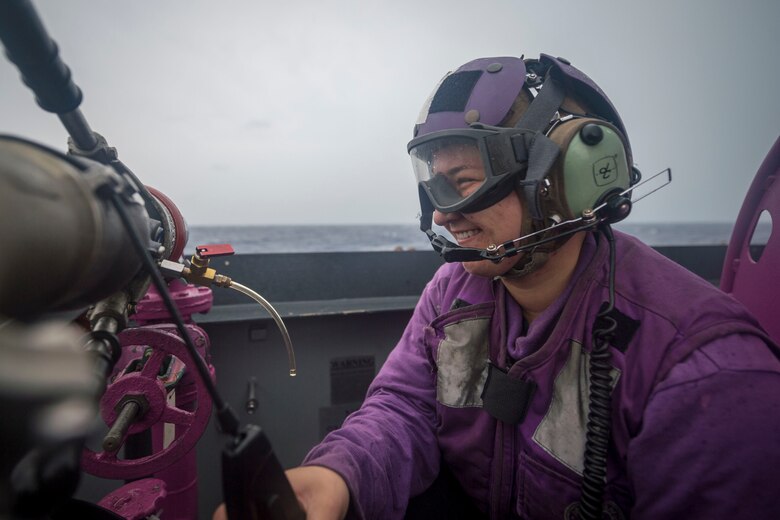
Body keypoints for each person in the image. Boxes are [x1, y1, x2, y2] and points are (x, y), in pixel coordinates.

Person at [215, 55, 780, 519]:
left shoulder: (704, 370)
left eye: (463, 183)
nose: (443, 216)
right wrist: (339, 475)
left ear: (561, 179)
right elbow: (404, 407)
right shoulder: (452, 292)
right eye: (436, 187)